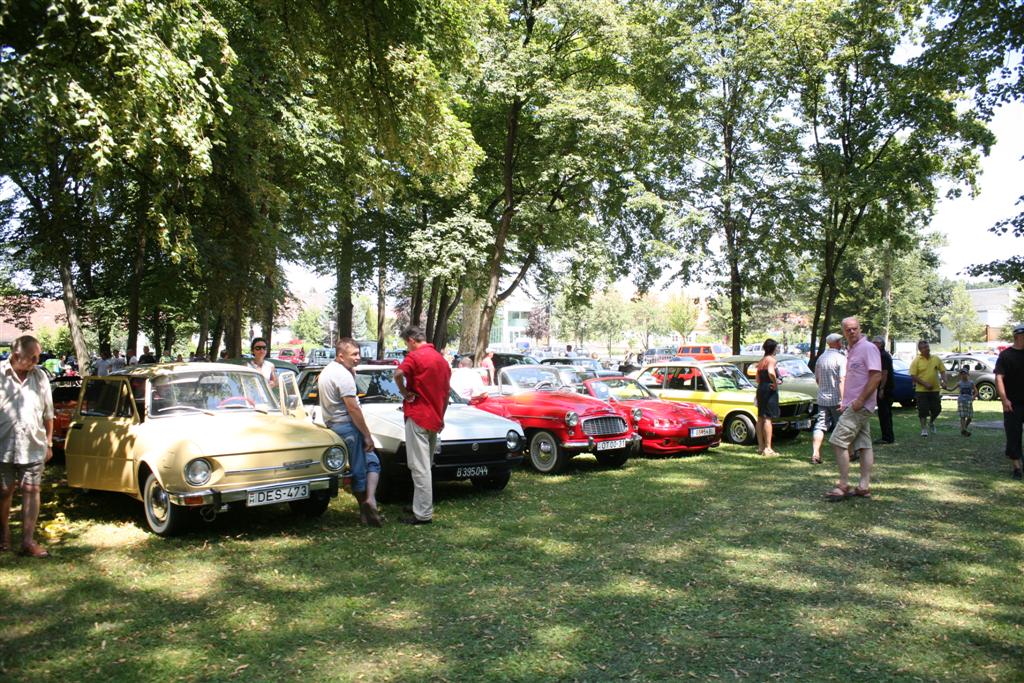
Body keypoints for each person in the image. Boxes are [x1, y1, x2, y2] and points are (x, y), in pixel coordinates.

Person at [0, 335, 55, 557]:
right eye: (33, 356)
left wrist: (49, 443)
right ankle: (3, 538)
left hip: (33, 444)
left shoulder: (40, 376)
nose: (36, 360)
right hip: (2, 445)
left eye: (38, 356)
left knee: (32, 490)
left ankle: (28, 542)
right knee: (4, 491)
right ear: (16, 356)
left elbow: (48, 413)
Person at [318, 338, 382, 526]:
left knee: (373, 462)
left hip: (335, 425)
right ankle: (366, 511)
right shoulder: (342, 376)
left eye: (358, 353)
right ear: (340, 355)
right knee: (360, 470)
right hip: (348, 427)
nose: (358, 357)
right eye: (353, 354)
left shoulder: (329, 371)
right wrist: (367, 435)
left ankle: (370, 500)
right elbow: (353, 408)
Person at [395, 325, 451, 525]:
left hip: (418, 415)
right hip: (434, 418)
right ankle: (419, 504)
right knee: (425, 465)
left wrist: (404, 393)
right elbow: (445, 394)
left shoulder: (415, 357)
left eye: (406, 344)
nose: (407, 348)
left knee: (419, 467)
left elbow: (397, 374)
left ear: (411, 340)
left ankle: (423, 513)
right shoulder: (442, 361)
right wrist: (441, 417)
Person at [825, 317, 882, 501]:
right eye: (848, 329)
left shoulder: (868, 348)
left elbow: (876, 377)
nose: (852, 332)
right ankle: (864, 487)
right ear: (843, 332)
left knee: (837, 440)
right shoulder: (851, 350)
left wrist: (860, 400)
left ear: (860, 328)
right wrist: (846, 401)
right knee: (864, 445)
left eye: (855, 328)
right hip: (853, 404)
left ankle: (843, 484)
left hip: (860, 405)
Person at [994, 324, 1024, 480]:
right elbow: (999, 377)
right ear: (1018, 336)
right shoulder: (1006, 356)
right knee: (1013, 434)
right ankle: (1016, 467)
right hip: (1013, 403)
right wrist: (1004, 399)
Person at [811, 333, 846, 464]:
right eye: (840, 341)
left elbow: (817, 379)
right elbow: (842, 379)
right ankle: (844, 454)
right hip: (837, 399)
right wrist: (843, 399)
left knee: (820, 426)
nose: (841, 343)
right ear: (837, 343)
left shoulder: (821, 358)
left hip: (822, 398)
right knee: (841, 426)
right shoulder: (841, 358)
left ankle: (815, 453)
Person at [909, 341, 946, 437]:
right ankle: (924, 429)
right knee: (923, 410)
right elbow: (913, 376)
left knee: (937, 409)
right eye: (924, 347)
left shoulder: (936, 359)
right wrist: (925, 384)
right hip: (921, 390)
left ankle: (931, 422)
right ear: (920, 350)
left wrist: (944, 381)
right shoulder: (916, 360)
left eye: (927, 346)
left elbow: (943, 371)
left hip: (935, 390)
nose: (927, 348)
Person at [754, 338, 780, 456]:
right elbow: (770, 372)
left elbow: (757, 379)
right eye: (776, 347)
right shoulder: (771, 360)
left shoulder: (761, 361)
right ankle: (768, 448)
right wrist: (774, 383)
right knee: (768, 418)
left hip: (760, 389)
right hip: (769, 389)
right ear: (773, 348)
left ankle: (760, 447)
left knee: (760, 417)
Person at [871, 336, 895, 445]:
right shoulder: (882, 355)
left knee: (884, 413)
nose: (872, 344)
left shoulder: (883, 356)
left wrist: (881, 388)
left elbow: (884, 373)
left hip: (885, 388)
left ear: (880, 344)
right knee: (885, 413)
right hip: (885, 387)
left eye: (874, 342)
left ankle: (887, 437)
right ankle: (888, 436)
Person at [956, 366, 978, 436]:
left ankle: (964, 428)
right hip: (961, 400)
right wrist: (945, 387)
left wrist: (973, 397)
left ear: (968, 374)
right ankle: (964, 430)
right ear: (960, 375)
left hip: (969, 401)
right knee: (962, 416)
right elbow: (951, 389)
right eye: (962, 374)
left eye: (964, 373)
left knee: (970, 417)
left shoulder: (971, 383)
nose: (963, 375)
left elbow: (976, 392)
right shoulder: (959, 383)